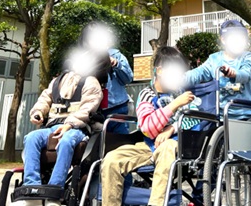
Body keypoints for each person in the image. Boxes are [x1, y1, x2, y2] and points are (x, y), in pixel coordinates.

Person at [101, 46, 198, 206]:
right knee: (112, 159)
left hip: (178, 145)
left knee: (166, 148)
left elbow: (196, 116)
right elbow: (147, 128)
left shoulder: (181, 93)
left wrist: (171, 128)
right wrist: (173, 106)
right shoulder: (147, 94)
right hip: (149, 145)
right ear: (160, 71)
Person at [18, 62, 103, 206]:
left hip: (78, 127)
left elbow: (88, 108)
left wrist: (69, 125)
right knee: (31, 137)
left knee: (66, 141)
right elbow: (44, 99)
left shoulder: (91, 82)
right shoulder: (56, 81)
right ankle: (32, 189)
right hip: (53, 126)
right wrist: (38, 112)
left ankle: (55, 191)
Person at [185, 19, 251, 118]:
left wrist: (234, 74)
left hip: (246, 113)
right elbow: (198, 73)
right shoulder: (214, 59)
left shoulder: (247, 56)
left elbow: (247, 73)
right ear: (223, 40)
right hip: (221, 116)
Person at [103, 47, 134, 133]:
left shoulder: (115, 55)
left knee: (121, 140)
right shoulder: (87, 58)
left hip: (119, 108)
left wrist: (117, 64)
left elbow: (128, 78)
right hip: (97, 112)